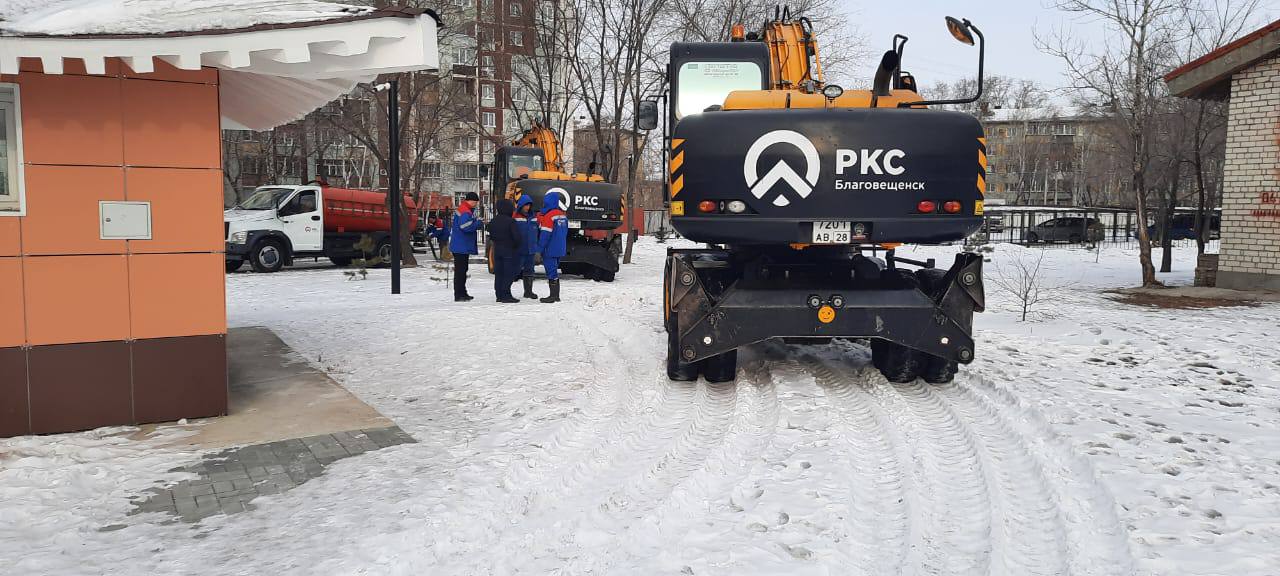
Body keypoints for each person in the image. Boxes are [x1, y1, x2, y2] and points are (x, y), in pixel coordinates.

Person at [486, 198, 523, 303]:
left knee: (499, 273)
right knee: (508, 273)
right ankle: (506, 294)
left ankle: (499, 295)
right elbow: (517, 237)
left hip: (497, 250)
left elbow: (491, 235)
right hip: (509, 250)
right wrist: (516, 246)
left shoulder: (494, 221)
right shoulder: (511, 222)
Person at [536, 188, 569, 304]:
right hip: (560, 248)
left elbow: (545, 234)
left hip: (549, 249)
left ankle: (553, 296)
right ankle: (556, 295)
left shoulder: (549, 216)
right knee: (554, 270)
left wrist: (539, 249)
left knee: (551, 272)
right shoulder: (563, 216)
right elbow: (565, 232)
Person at [449, 192, 483, 302]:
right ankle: (459, 294)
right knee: (461, 271)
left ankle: (462, 293)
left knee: (462, 271)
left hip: (460, 245)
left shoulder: (464, 209)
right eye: (475, 202)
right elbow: (465, 227)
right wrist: (477, 223)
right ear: (471, 201)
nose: (476, 204)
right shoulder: (465, 211)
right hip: (461, 246)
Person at [513, 193, 539, 299]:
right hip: (519, 249)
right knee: (514, 270)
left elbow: (539, 230)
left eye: (529, 205)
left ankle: (528, 292)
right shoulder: (514, 217)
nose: (527, 207)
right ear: (521, 205)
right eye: (525, 205)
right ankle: (506, 291)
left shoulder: (534, 217)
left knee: (529, 271)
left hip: (531, 249)